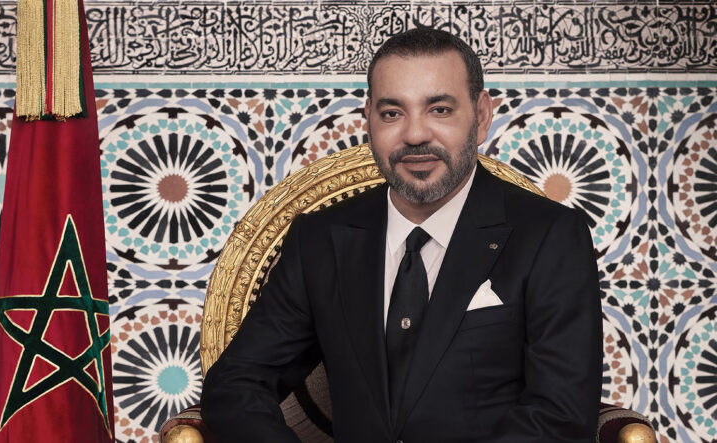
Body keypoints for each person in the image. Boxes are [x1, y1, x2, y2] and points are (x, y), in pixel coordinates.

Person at [201, 27, 602, 442]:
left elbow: (561, 415)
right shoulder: (319, 239)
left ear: (481, 116)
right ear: (369, 119)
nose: (414, 135)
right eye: (392, 113)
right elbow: (235, 382)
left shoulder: (551, 236)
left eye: (439, 110)